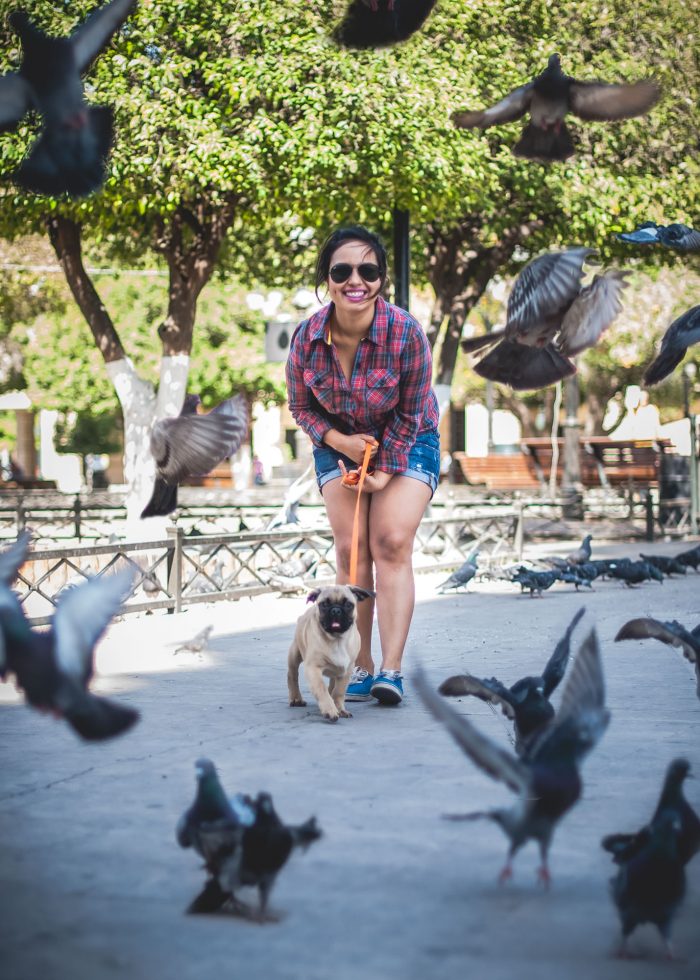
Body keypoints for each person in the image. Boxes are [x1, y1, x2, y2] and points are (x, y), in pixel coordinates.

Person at [286, 226, 440, 706]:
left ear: (380, 280)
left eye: (368, 270)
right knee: (354, 549)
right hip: (337, 442)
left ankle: (389, 671)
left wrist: (386, 466)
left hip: (409, 439)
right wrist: (342, 444)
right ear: (327, 279)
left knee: (390, 540)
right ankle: (357, 664)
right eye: (343, 270)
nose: (357, 280)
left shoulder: (406, 333)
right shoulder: (307, 339)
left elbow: (412, 412)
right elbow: (301, 408)